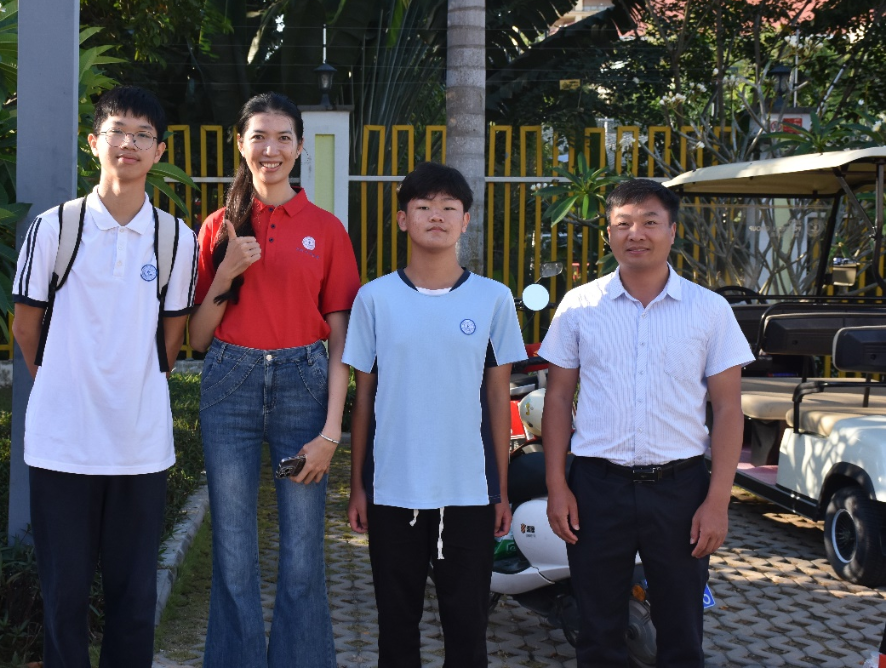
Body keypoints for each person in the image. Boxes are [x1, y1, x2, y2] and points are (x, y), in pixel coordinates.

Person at [11, 85, 199, 667]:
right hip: (62, 445)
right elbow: (25, 326)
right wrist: (61, 380)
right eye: (118, 131)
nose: (129, 143)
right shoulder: (54, 228)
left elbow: (172, 339)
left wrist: (130, 384)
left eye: (144, 134)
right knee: (64, 598)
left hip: (139, 447)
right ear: (93, 142)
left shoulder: (176, 238)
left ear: (159, 151)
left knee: (134, 600)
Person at [539, 178, 754, 667]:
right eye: (623, 224)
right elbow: (558, 396)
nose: (636, 234)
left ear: (672, 231)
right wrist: (557, 485)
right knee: (598, 634)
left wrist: (718, 500)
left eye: (650, 222)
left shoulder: (710, 310)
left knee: (681, 634)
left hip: (680, 491)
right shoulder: (579, 306)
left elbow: (727, 408)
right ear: (609, 234)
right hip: (597, 489)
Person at [188, 92, 360, 668]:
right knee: (233, 554)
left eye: (283, 137)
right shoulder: (217, 228)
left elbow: (342, 338)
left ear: (300, 147)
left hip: (302, 388)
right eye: (259, 136)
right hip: (229, 385)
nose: (271, 149)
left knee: (303, 556)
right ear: (240, 144)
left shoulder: (326, 229)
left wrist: (331, 430)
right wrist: (226, 272)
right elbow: (197, 338)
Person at [345, 161, 526, 668]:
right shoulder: (374, 298)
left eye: (449, 207)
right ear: (403, 219)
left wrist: (499, 490)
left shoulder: (493, 299)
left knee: (467, 630)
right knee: (396, 627)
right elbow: (364, 399)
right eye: (424, 206)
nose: (437, 216)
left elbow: (499, 400)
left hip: (467, 491)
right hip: (392, 490)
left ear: (465, 220)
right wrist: (358, 486)